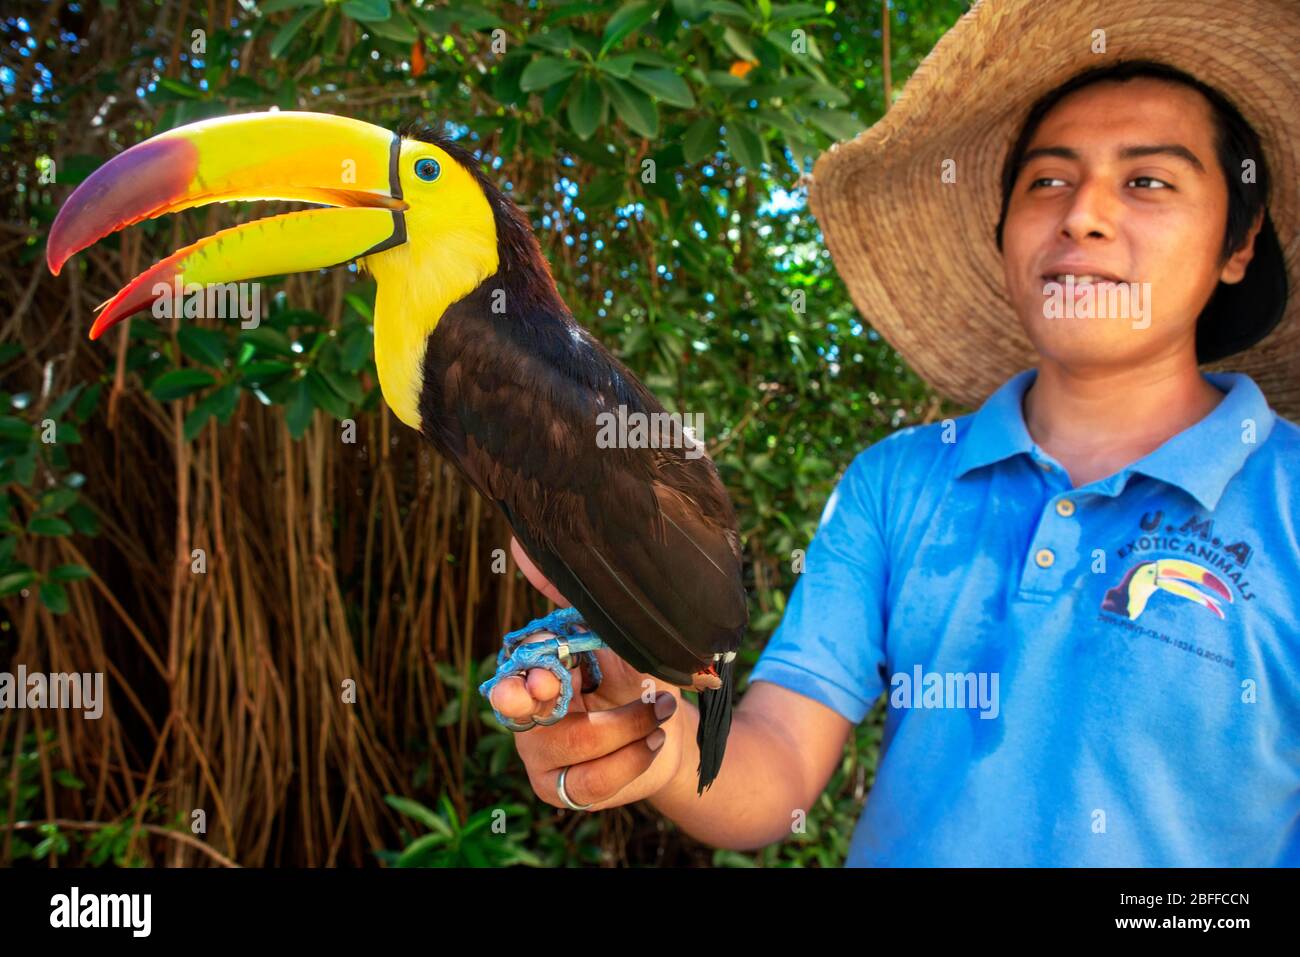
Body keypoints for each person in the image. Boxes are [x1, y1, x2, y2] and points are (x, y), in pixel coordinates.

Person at [488, 0, 1300, 865]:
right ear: (1004, 232)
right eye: (1047, 180)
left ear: (1239, 241)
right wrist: (654, 736)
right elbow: (780, 761)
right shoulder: (897, 484)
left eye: (1148, 181)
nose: (1083, 216)